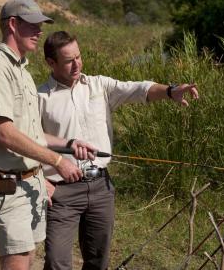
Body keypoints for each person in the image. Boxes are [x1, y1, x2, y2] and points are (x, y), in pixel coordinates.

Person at [38, 31, 200, 270]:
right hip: (61, 193)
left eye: (79, 57)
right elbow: (28, 141)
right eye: (69, 61)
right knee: (56, 261)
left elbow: (139, 89)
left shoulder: (99, 85)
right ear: (51, 63)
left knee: (98, 260)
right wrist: (42, 180)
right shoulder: (40, 97)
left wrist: (170, 91)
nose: (77, 65)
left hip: (101, 188)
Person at [0, 0, 96, 270]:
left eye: (41, 25)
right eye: (33, 25)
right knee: (17, 262)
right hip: (7, 185)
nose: (39, 32)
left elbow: (32, 133)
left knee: (27, 259)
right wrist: (57, 161)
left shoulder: (22, 70)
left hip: (30, 184)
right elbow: (5, 133)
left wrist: (69, 144)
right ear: (13, 25)